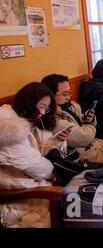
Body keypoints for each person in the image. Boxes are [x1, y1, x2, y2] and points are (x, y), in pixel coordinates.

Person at [0, 83, 63, 228]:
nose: (42, 113)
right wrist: (54, 170)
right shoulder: (8, 129)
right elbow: (38, 167)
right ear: (29, 101)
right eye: (41, 106)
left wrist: (56, 141)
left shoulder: (23, 120)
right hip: (15, 190)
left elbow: (36, 152)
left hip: (25, 181)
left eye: (46, 109)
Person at [41, 74, 103, 164]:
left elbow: (80, 119)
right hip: (83, 156)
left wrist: (88, 119)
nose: (69, 97)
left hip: (92, 145)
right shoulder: (54, 120)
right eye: (65, 94)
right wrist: (89, 124)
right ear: (50, 95)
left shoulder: (69, 105)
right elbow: (84, 137)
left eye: (69, 92)